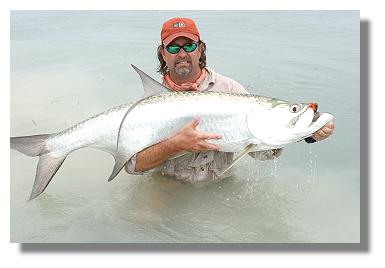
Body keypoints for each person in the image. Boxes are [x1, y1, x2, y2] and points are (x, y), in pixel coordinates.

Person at [124, 17, 335, 182]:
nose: (182, 53)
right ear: (162, 54)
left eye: (189, 46)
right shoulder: (149, 104)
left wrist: (307, 134)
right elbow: (133, 166)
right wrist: (174, 145)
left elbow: (262, 152)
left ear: (200, 49)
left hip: (220, 184)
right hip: (168, 185)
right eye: (173, 47)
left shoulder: (231, 90)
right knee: (143, 220)